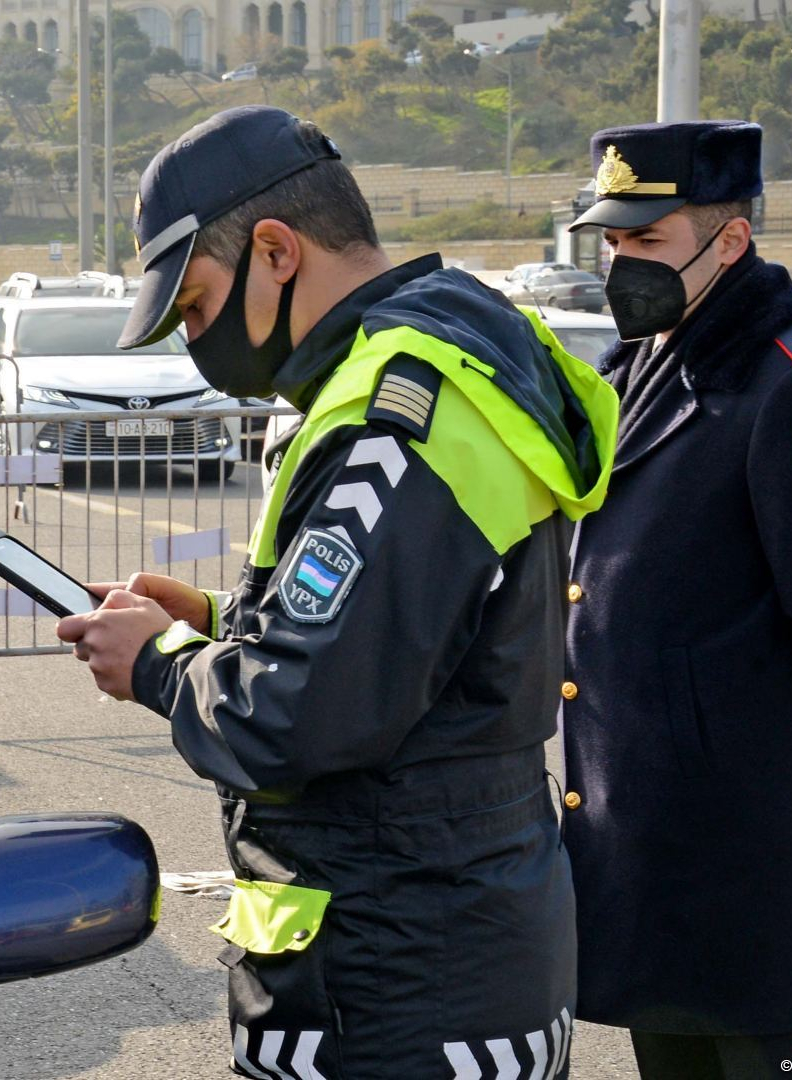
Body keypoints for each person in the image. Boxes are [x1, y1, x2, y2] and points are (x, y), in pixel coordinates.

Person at [54, 105, 619, 1077]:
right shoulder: (457, 359)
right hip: (451, 948)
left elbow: (294, 715)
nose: (196, 340)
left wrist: (157, 663)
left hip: (395, 982)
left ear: (275, 251)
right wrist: (224, 624)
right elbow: (415, 640)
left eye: (193, 307)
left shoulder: (394, 418)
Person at [559, 121, 792, 1079]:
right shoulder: (634, 369)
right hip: (641, 821)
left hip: (739, 827)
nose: (622, 263)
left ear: (731, 242)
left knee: (765, 1050)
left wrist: (778, 735)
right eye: (615, 244)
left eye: (648, 242)